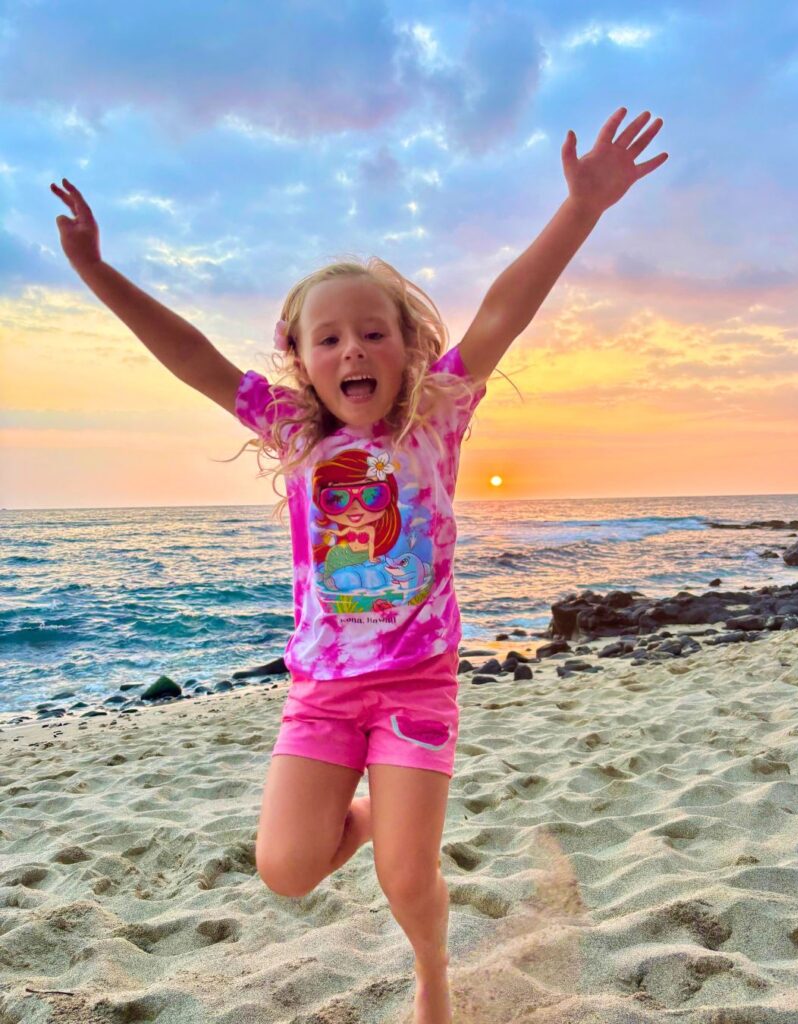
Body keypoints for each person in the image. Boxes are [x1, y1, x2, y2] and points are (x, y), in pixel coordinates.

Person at [51, 106, 666, 1024]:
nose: (353, 349)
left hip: (417, 682)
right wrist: (98, 272)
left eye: (373, 332)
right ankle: (380, 810)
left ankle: (432, 974)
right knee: (286, 870)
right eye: (329, 337)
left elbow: (504, 309)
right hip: (322, 690)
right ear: (300, 359)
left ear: (408, 348)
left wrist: (579, 208)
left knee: (405, 879)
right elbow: (191, 356)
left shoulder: (437, 415)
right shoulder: (292, 433)